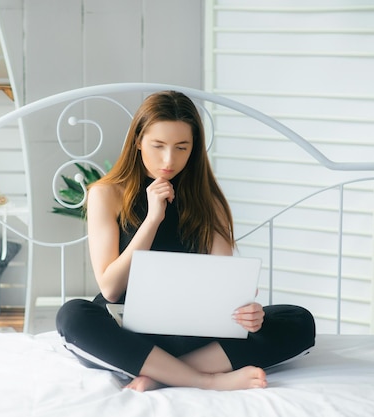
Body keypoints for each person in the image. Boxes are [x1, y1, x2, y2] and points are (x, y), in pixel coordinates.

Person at [56, 90, 316, 392]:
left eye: (182, 147)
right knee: (73, 317)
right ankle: (202, 379)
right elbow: (111, 288)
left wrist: (248, 313)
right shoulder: (106, 193)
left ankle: (158, 373)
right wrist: (153, 219)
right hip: (126, 328)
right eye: (158, 146)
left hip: (190, 329)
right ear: (138, 141)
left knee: (298, 320)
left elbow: (225, 287)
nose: (169, 160)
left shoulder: (207, 200)